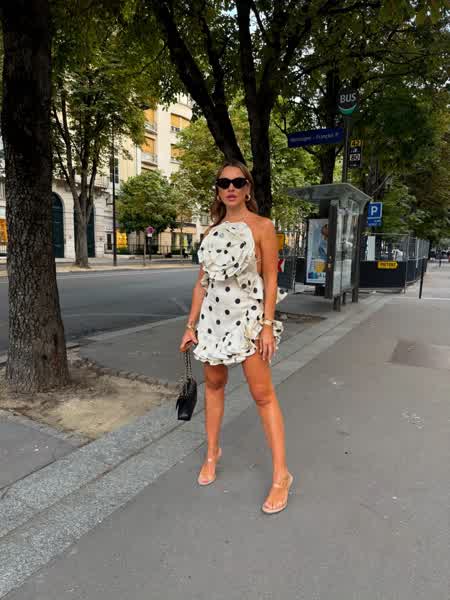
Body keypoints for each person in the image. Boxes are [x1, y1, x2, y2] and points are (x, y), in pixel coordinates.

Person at [179, 160, 293, 514]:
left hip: (247, 321)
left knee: (262, 395)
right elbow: (202, 283)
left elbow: (271, 279)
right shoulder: (211, 233)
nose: (230, 187)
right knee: (214, 386)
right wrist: (190, 326)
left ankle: (282, 475)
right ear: (218, 190)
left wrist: (267, 325)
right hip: (212, 322)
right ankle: (212, 452)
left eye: (238, 182)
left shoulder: (262, 227)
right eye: (223, 182)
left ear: (247, 188)